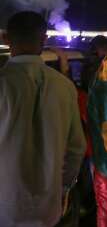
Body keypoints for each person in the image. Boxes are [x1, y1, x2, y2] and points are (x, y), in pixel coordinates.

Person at [0, 11, 86, 226]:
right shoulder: (65, 87)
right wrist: (63, 186)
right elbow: (76, 148)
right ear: (44, 39)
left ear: (5, 39)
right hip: (49, 208)